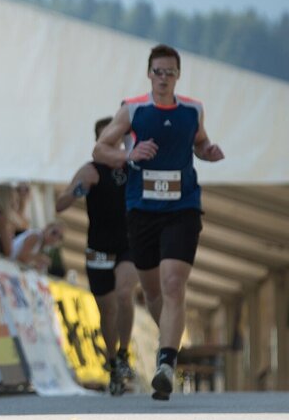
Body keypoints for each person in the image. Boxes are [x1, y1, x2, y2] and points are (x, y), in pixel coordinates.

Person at [93, 44, 224, 401]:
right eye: (157, 71)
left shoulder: (193, 110)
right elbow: (99, 150)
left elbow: (199, 142)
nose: (163, 78)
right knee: (152, 291)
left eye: (170, 72)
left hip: (183, 208)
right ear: (148, 74)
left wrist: (207, 152)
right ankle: (169, 340)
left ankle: (166, 362)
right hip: (142, 211)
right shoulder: (133, 109)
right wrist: (128, 154)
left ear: (178, 76)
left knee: (173, 283)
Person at [56, 116, 138, 396]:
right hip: (99, 247)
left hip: (128, 244)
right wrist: (82, 188)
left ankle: (125, 353)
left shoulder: (133, 166)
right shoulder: (90, 170)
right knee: (107, 310)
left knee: (125, 293)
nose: (113, 144)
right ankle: (113, 362)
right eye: (107, 139)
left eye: (117, 138)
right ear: (98, 142)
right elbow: (60, 204)